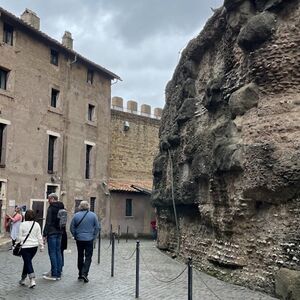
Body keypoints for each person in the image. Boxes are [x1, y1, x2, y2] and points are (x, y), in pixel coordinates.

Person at [70, 201, 100, 283]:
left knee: (80, 256)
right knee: (88, 256)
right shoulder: (93, 215)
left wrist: (75, 235)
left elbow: (71, 228)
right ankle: (85, 273)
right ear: (88, 206)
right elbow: (97, 227)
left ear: (80, 207)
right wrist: (94, 236)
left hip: (79, 239)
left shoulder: (76, 215)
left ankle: (80, 273)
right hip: (89, 239)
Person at [17, 210, 44, 288]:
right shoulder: (37, 224)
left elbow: (19, 237)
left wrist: (16, 245)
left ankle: (32, 279)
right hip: (34, 247)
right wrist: (41, 245)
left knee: (28, 262)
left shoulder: (22, 224)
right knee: (27, 262)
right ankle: (22, 279)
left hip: (25, 247)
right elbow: (39, 236)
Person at [42, 193, 64, 281]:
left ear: (52, 198)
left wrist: (44, 234)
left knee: (52, 253)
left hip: (52, 232)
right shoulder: (62, 206)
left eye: (49, 199)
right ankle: (58, 272)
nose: (48, 200)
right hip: (60, 232)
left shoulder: (51, 208)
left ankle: (54, 274)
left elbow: (48, 222)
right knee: (58, 252)